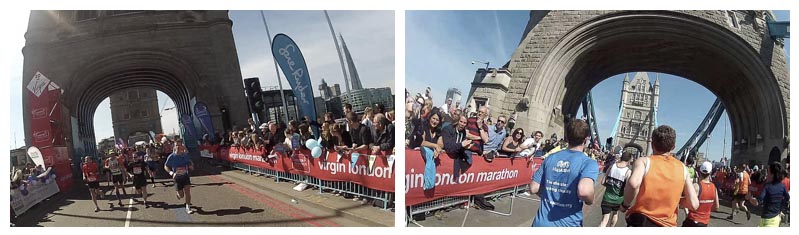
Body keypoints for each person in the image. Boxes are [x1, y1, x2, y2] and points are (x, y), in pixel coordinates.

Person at [622, 125, 699, 227]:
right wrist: (673, 200)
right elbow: (694, 204)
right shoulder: (683, 168)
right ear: (673, 147)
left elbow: (633, 184)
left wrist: (625, 205)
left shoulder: (644, 161)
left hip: (641, 220)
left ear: (652, 144)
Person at [530, 119, 599, 227]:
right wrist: (591, 200)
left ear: (567, 137)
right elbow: (584, 192)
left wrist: (551, 196)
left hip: (541, 223)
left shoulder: (550, 158)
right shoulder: (588, 163)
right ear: (585, 140)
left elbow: (533, 188)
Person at [747, 162, 790, 227]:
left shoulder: (767, 186)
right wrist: (780, 209)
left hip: (768, 220)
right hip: (772, 219)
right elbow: (787, 198)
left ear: (772, 175)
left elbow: (757, 202)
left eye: (768, 173)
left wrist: (750, 198)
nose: (766, 175)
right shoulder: (782, 186)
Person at [598, 151, 633, 227]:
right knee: (615, 213)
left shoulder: (612, 166)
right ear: (629, 160)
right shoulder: (628, 172)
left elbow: (603, 182)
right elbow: (626, 189)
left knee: (604, 221)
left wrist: (610, 185)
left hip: (607, 198)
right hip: (618, 200)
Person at [683, 161, 719, 227]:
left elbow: (685, 203)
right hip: (704, 222)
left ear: (699, 172)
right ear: (710, 173)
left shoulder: (696, 186)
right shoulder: (714, 188)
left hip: (692, 220)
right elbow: (716, 206)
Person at [164, 141, 195, 214]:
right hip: (177, 178)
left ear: (182, 147)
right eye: (176, 145)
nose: (178, 147)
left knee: (188, 192)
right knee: (181, 195)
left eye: (179, 145)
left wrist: (191, 166)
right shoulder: (171, 156)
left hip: (185, 176)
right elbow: (165, 166)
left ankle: (188, 207)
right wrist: (171, 172)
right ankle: (178, 194)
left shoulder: (185, 155)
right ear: (174, 147)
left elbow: (190, 163)